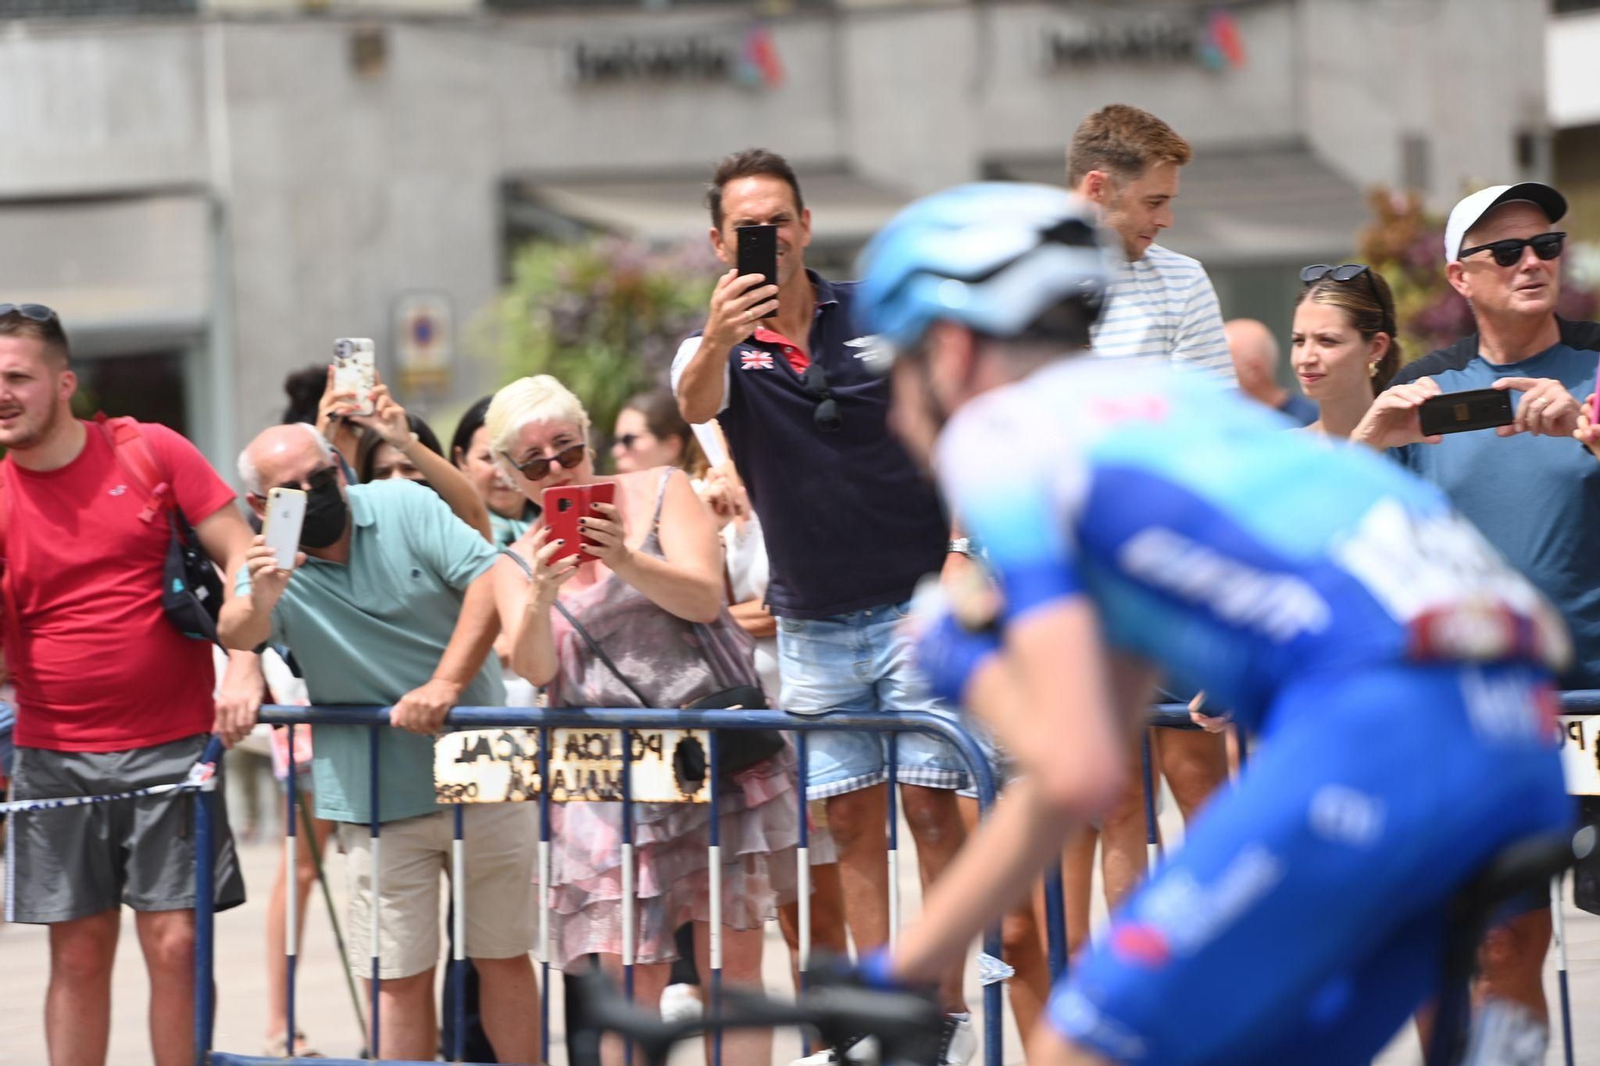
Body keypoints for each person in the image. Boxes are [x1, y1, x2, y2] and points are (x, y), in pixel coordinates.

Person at [852, 181, 1572, 1066]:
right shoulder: (1169, 415)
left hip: (1377, 737)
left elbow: (1068, 764)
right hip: (1515, 731)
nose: (893, 411)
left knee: (1078, 1052)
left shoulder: (1005, 434)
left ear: (953, 349)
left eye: (895, 371)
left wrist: (963, 658)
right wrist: (908, 968)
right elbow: (1083, 761)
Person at [672, 147, 980, 1064]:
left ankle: (945, 1017)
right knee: (847, 823)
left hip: (918, 605)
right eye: (747, 228)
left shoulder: (881, 313)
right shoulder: (715, 347)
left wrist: (965, 550)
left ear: (805, 226)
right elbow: (692, 397)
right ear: (721, 243)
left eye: (781, 220)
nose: (769, 238)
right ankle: (886, 1023)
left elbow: (961, 425)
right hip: (812, 621)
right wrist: (726, 336)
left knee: (932, 811)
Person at [1350, 181, 1600, 1057]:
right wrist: (1366, 445)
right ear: (1460, 277)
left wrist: (1586, 430)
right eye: (1506, 252)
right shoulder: (1426, 390)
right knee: (1502, 944)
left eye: (1546, 245)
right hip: (1492, 712)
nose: (1532, 262)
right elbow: (1352, 537)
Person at [487, 374, 800, 1066]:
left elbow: (701, 599)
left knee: (733, 969)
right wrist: (540, 595)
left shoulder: (663, 490)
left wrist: (623, 557)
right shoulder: (511, 564)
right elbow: (537, 671)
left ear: (588, 442)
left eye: (566, 450)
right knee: (634, 980)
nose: (557, 470)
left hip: (712, 758)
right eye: (534, 463)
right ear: (511, 475)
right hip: (608, 785)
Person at [220, 422, 541, 1063]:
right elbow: (235, 626)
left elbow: (489, 579)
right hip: (373, 786)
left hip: (482, 761)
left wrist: (446, 682)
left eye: (324, 474)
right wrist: (259, 616)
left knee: (501, 956)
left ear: (341, 467)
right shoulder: (268, 560)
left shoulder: (404, 504)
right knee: (395, 976)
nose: (315, 492)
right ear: (261, 507)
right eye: (292, 490)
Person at [0, 303, 260, 1066]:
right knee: (77, 956)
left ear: (64, 382)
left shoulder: (150, 451)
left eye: (17, 377)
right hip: (54, 754)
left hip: (175, 751)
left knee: (176, 945)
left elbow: (245, 555)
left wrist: (243, 662)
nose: (1, 393)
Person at [1063, 103, 1232, 946]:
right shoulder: (1024, 282)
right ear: (1099, 189)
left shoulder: (1183, 278)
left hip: (1172, 574)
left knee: (1201, 778)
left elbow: (1216, 433)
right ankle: (1130, 1014)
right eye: (1153, 202)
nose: (1165, 219)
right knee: (1116, 799)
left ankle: (1226, 1000)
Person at [1288, 265, 1402, 437]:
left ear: (1376, 347)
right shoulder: (1277, 453)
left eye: (1327, 341)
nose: (1305, 358)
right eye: (1299, 341)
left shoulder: (1418, 450)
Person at [452, 395, 538, 549]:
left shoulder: (561, 528)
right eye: (488, 458)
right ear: (462, 460)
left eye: (515, 457)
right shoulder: (449, 535)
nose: (502, 474)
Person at [1228, 317, 1318, 425]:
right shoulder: (1222, 423)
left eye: (1223, 366)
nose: (1209, 378)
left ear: (1254, 370)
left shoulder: (1307, 425)